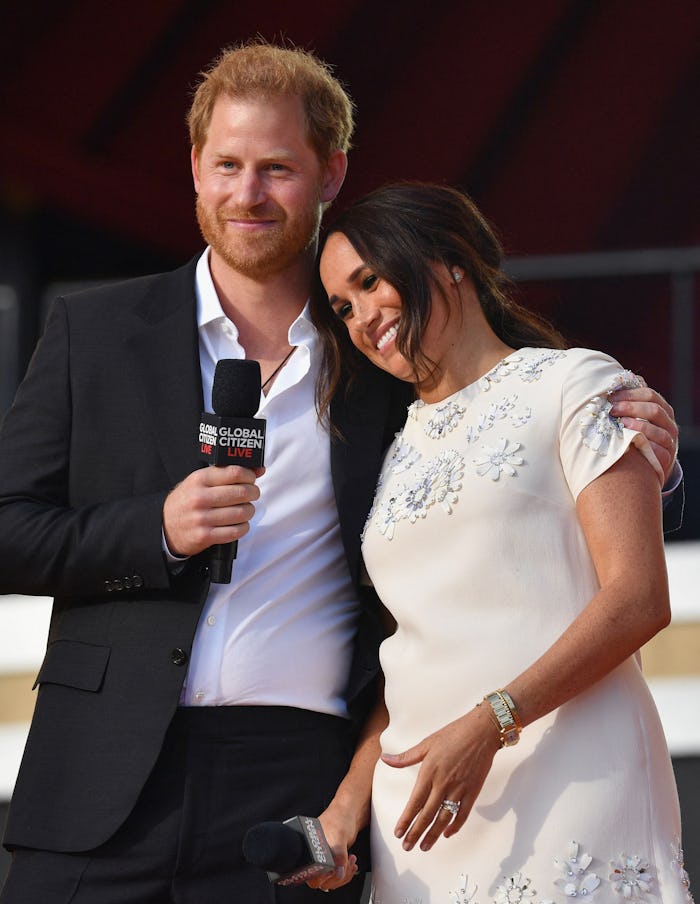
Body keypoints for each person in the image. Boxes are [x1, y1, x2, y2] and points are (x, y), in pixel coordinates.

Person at [0, 39, 681, 903]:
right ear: (196, 169)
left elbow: (504, 439)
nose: (248, 193)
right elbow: (8, 528)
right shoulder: (92, 330)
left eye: (277, 168)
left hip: (297, 783)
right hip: (98, 778)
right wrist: (156, 529)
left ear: (330, 173)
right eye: (228, 165)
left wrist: (642, 457)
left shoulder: (384, 355)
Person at [310, 182, 693, 903]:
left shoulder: (575, 385)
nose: (361, 317)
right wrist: (346, 807)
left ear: (450, 259)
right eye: (342, 307)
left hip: (570, 779)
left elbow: (639, 599)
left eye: (370, 281)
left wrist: (491, 723)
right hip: (422, 819)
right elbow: (408, 660)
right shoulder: (388, 453)